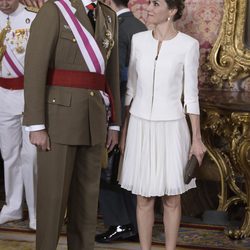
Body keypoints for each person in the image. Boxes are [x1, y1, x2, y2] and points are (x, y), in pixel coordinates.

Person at [23, 0, 121, 249]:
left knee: (87, 203)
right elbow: (35, 69)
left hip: (94, 118)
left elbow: (111, 74)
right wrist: (36, 125)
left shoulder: (108, 16)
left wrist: (115, 123)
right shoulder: (54, 11)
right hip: (58, 120)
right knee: (53, 201)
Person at [119, 0, 206, 249]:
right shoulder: (138, 41)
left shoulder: (188, 46)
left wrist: (196, 138)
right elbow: (131, 90)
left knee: (171, 198)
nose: (147, 7)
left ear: (172, 11)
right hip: (139, 125)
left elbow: (190, 96)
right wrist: (124, 130)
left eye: (155, 3)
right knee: (143, 197)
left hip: (171, 127)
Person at [95, 0, 147, 243]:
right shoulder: (139, 25)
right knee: (128, 168)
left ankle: (119, 223)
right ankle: (135, 224)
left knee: (108, 167)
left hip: (120, 106)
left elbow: (117, 74)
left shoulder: (113, 26)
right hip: (139, 107)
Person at [0, 0, 37, 230]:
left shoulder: (34, 18)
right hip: (3, 94)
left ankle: (36, 212)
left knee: (31, 157)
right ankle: (12, 206)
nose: (4, 3)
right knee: (9, 154)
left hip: (29, 94)